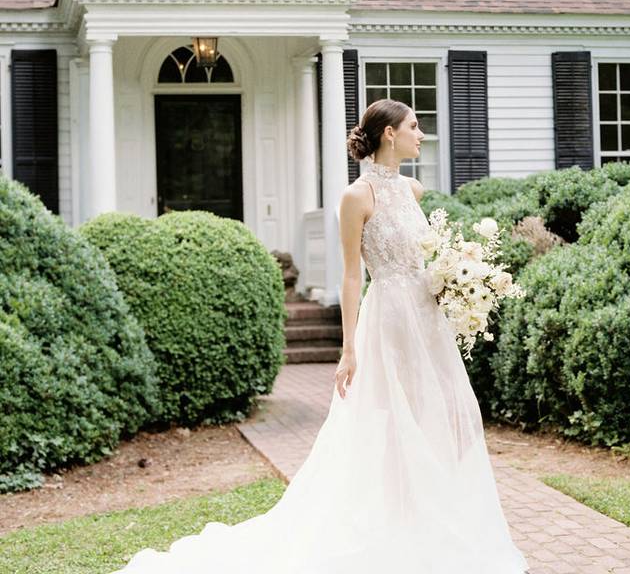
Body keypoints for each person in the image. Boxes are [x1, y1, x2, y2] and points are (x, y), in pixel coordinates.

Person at [112, 99, 528, 572]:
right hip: (387, 318)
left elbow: (426, 257)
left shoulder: (413, 190)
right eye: (414, 126)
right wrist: (349, 348)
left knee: (434, 416)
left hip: (426, 318)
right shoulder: (356, 197)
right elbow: (353, 276)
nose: (421, 134)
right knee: (387, 420)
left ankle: (428, 519)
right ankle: (387, 525)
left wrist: (458, 280)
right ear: (389, 134)